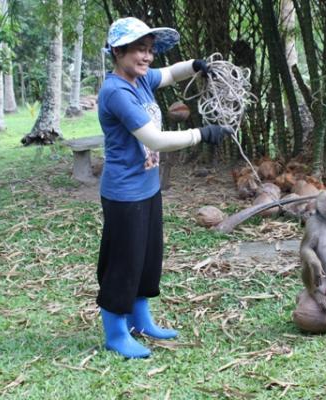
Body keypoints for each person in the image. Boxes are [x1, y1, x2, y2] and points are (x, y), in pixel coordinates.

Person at [97, 17, 232, 359]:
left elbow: (171, 73)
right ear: (118, 51)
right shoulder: (116, 91)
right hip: (124, 193)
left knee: (146, 258)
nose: (146, 57)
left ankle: (141, 321)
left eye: (149, 50)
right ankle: (116, 332)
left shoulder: (141, 80)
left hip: (147, 188)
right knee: (123, 263)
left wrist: (197, 66)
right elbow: (154, 138)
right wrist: (203, 133)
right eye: (138, 50)